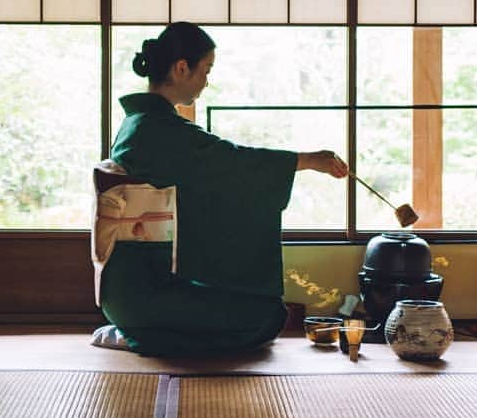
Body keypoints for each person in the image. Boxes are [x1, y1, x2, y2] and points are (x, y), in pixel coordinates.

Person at [93, 22, 348, 355]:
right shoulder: (159, 130)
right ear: (181, 68)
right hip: (143, 294)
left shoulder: (142, 124)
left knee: (260, 313)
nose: (206, 81)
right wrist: (309, 160)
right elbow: (231, 164)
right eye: (205, 70)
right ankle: (141, 335)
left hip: (131, 289)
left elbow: (219, 170)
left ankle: (138, 329)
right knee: (265, 317)